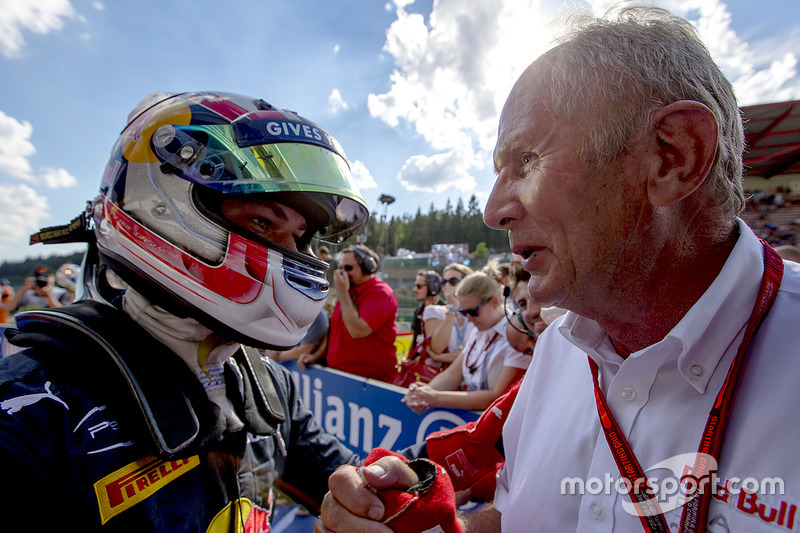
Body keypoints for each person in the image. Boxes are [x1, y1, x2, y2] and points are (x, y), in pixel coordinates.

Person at [317, 5, 800, 533]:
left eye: (525, 161)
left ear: (673, 156)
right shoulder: (557, 350)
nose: (492, 210)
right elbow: (515, 518)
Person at [0, 91, 371, 531]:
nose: (290, 252)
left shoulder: (265, 384)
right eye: (263, 223)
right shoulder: (34, 411)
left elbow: (353, 485)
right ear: (160, 208)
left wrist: (394, 491)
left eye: (300, 235)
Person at [402, 268, 531, 414]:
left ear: (495, 302)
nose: (469, 319)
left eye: (473, 312)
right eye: (463, 312)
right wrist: (424, 393)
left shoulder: (517, 335)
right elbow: (454, 374)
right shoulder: (478, 331)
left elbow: (497, 396)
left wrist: (436, 397)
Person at [327, 245, 399, 382]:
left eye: (348, 268)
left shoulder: (381, 292)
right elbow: (335, 330)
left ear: (367, 266)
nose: (343, 273)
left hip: (369, 381)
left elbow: (357, 330)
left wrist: (342, 293)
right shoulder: (349, 291)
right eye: (340, 267)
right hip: (343, 376)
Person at [426, 263, 475, 365]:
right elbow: (437, 348)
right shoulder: (434, 311)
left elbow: (477, 353)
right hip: (437, 375)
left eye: (453, 281)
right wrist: (453, 307)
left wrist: (442, 358)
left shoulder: (476, 313)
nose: (447, 286)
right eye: (444, 282)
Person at [263, 307, 330, 370]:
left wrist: (276, 355)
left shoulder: (313, 314)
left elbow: (304, 350)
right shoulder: (294, 310)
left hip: (310, 367)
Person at [4, 266, 71, 313]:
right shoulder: (27, 294)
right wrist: (23, 290)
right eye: (39, 278)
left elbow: (64, 313)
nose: (42, 281)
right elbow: (8, 308)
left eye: (46, 277)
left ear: (53, 278)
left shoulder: (61, 293)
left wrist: (48, 296)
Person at [409, 269, 442, 353]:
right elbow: (415, 340)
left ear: (432, 287)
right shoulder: (418, 311)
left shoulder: (444, 311)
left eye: (418, 286)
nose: (414, 290)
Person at [317, 245, 338, 315]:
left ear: (324, 254)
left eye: (320, 255)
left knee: (329, 305)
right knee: (327, 305)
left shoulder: (334, 262)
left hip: (333, 286)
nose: (319, 256)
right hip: (325, 286)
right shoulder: (322, 262)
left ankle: (333, 321)